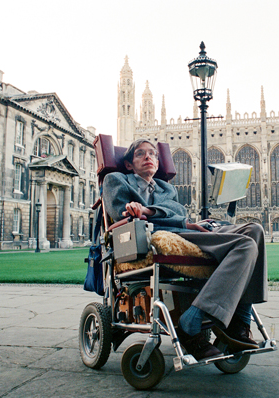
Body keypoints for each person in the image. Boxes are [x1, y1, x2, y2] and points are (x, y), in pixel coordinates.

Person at [103, 138, 268, 360]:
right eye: (140, 154)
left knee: (255, 231)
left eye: (152, 153)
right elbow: (117, 210)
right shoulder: (117, 180)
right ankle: (198, 319)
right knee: (245, 245)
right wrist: (136, 210)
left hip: (182, 230)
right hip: (151, 236)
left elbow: (177, 213)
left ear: (159, 163)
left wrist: (148, 211)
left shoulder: (166, 187)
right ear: (130, 164)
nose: (148, 157)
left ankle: (239, 321)